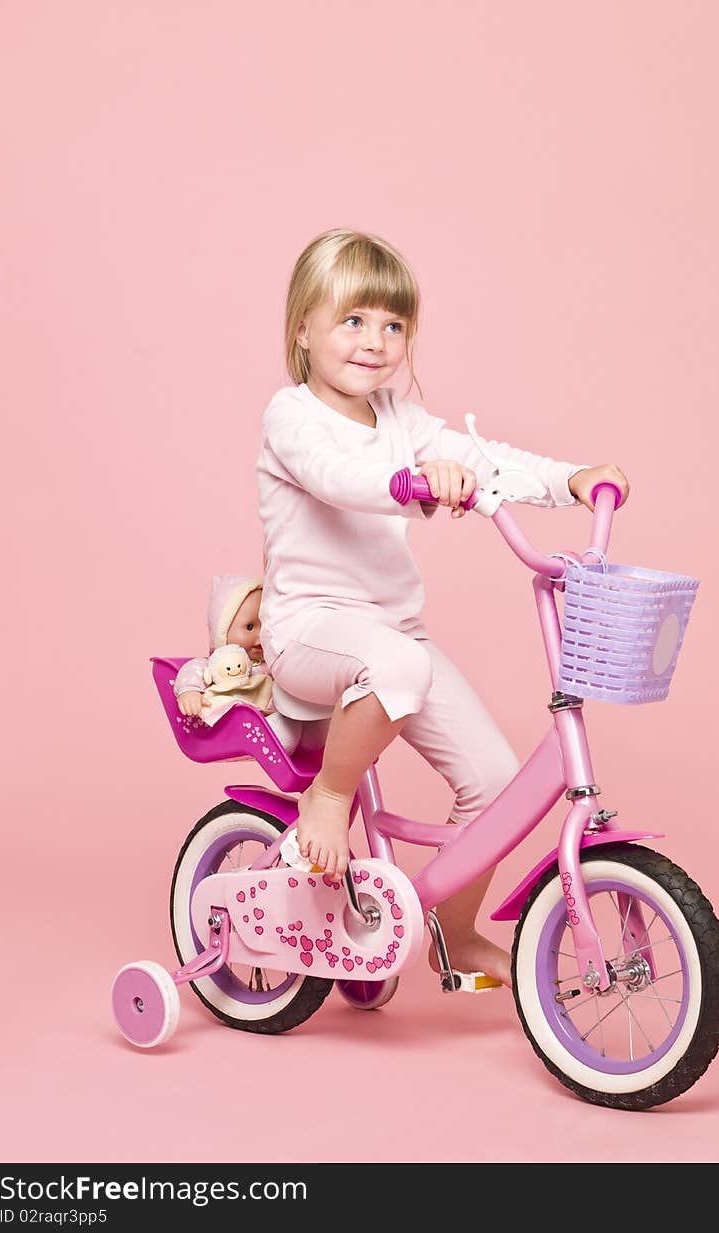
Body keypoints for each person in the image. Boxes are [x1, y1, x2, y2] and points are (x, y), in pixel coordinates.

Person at [257, 229, 629, 986]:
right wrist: (410, 482)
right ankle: (330, 797)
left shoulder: (399, 418)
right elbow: (335, 476)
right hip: (310, 631)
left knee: (492, 777)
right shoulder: (291, 416)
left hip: (393, 640)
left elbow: (486, 458)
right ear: (303, 328)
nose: (376, 341)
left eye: (393, 326)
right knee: (398, 664)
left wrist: (571, 480)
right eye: (353, 321)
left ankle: (452, 933)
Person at [174, 574, 322, 755]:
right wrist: (189, 692)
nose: (260, 636)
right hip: (237, 725)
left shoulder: (273, 663)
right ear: (223, 630)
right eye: (250, 627)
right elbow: (192, 669)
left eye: (267, 625)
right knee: (288, 725)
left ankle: (319, 741)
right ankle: (277, 738)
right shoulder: (215, 664)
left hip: (275, 713)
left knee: (313, 715)